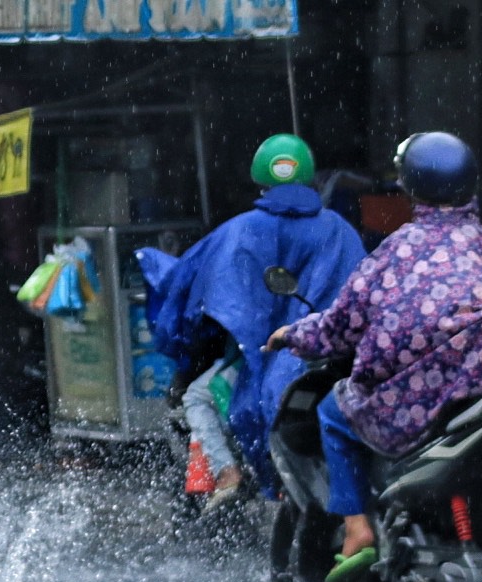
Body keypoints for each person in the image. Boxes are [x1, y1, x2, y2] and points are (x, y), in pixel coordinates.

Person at [267, 131, 482, 582]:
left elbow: (339, 328)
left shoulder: (398, 250)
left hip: (429, 401)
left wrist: (291, 335)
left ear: (410, 186)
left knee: (335, 412)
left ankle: (357, 530)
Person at [143, 134, 366, 509]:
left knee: (197, 395)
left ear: (260, 178)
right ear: (310, 176)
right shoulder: (340, 230)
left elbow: (189, 287)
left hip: (264, 359)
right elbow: (362, 294)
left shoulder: (238, 230)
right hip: (333, 357)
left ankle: (228, 473)